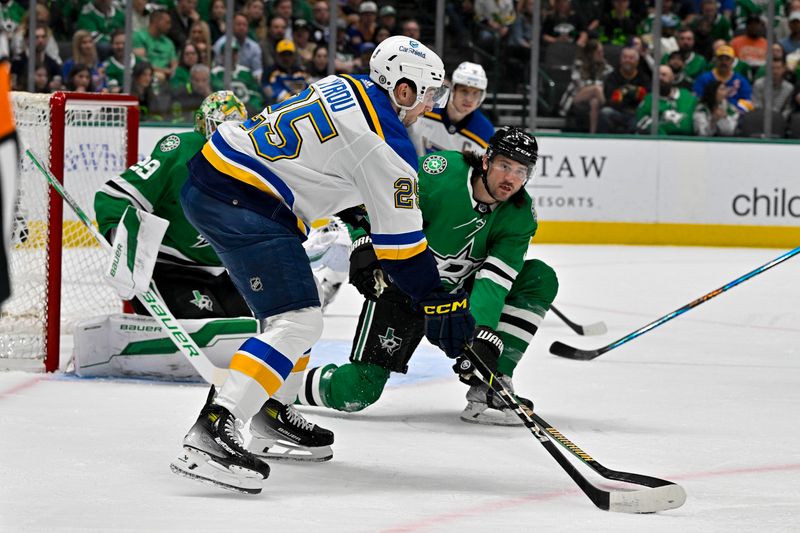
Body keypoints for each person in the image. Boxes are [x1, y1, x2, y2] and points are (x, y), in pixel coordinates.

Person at [169, 36, 470, 494]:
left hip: (216, 176)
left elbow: (323, 163)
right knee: (297, 321)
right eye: (428, 93)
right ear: (404, 90)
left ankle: (270, 408)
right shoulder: (388, 146)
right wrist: (438, 302)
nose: (430, 104)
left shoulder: (342, 84)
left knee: (297, 305)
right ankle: (216, 425)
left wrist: (362, 223)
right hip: (243, 200)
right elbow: (404, 251)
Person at [296, 128, 557, 427]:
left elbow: (495, 280)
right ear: (486, 161)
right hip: (402, 289)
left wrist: (481, 335)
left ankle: (490, 384)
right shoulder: (439, 175)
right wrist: (362, 239)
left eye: (521, 171)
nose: (511, 178)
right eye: (505, 165)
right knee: (357, 390)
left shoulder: (520, 215)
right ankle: (282, 388)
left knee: (539, 277)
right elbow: (374, 198)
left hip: (454, 303)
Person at [94, 91, 250, 320]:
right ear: (203, 126)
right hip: (167, 269)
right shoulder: (182, 150)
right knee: (208, 324)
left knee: (252, 325)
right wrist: (122, 243)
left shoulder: (247, 165)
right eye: (222, 130)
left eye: (236, 131)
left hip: (219, 273)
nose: (229, 140)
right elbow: (114, 196)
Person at [408, 61, 494, 156]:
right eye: (464, 91)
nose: (469, 99)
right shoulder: (426, 107)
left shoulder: (486, 131)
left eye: (475, 93)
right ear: (453, 90)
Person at [560, 39, 614, 133]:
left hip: (595, 97)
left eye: (602, 52)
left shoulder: (606, 67)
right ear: (590, 53)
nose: (602, 54)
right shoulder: (579, 64)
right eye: (598, 52)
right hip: (576, 96)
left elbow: (608, 84)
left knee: (594, 102)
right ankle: (608, 105)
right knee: (596, 89)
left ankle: (592, 134)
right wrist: (595, 87)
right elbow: (580, 85)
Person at [598, 46, 650, 134]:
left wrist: (629, 92)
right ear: (620, 60)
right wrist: (629, 93)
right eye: (625, 57)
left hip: (636, 113)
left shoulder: (644, 78)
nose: (627, 60)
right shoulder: (612, 77)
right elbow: (611, 99)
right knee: (605, 112)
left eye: (631, 58)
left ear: (637, 62)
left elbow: (647, 99)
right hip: (617, 112)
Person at [635, 65, 698, 135]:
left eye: (664, 75)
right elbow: (641, 121)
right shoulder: (648, 99)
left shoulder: (687, 96)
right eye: (657, 75)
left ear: (672, 78)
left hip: (689, 141)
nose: (660, 78)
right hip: (660, 141)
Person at [693, 45, 753, 114]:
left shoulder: (741, 80)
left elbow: (748, 103)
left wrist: (730, 106)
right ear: (715, 60)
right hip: (708, 114)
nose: (724, 62)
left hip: (735, 116)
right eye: (721, 59)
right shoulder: (704, 79)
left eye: (727, 59)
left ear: (733, 61)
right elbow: (696, 98)